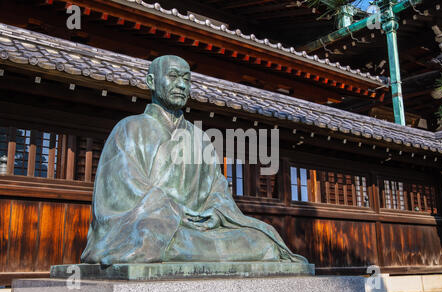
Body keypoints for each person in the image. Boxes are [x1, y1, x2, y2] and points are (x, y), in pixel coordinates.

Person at [81, 55, 309, 265]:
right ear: (151, 81)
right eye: (173, 76)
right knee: (148, 236)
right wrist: (171, 210)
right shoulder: (129, 128)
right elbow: (121, 191)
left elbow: (217, 188)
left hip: (199, 228)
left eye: (186, 79)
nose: (181, 85)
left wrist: (214, 213)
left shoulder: (199, 138)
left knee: (261, 240)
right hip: (154, 221)